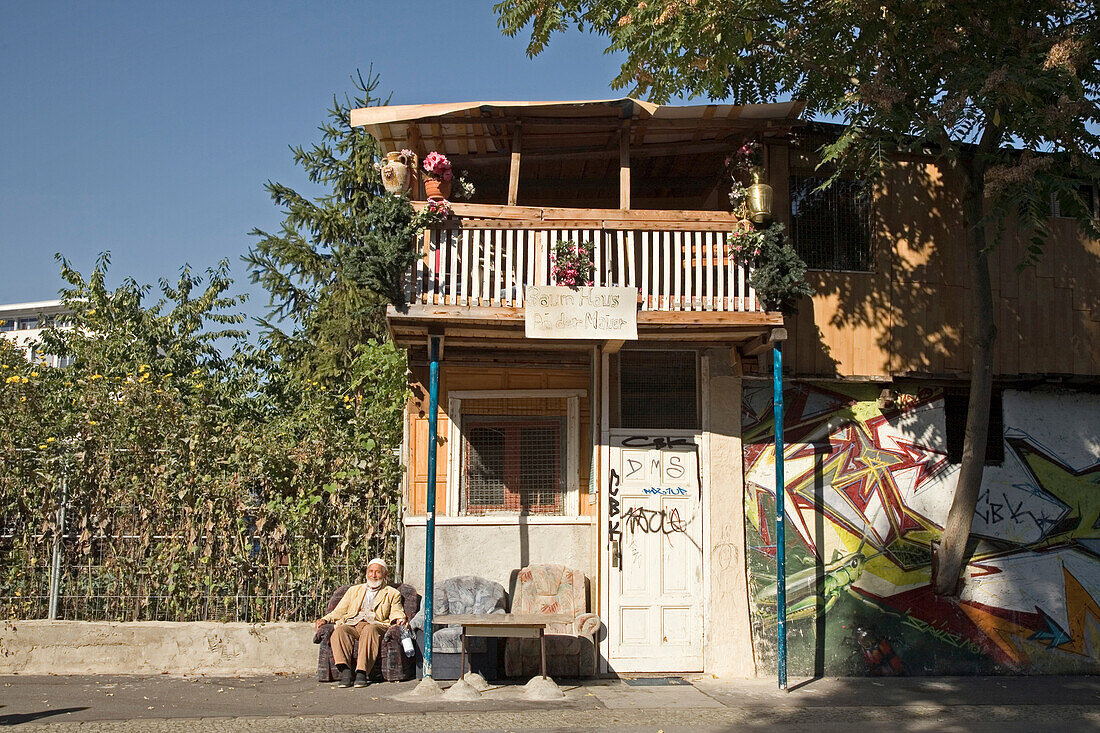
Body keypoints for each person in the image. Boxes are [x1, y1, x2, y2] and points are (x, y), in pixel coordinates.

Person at [314, 558, 407, 688]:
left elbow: (397, 610)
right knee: (340, 630)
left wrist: (399, 618)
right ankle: (345, 671)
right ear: (366, 573)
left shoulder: (392, 593)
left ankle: (361, 672)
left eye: (377, 572)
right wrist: (325, 619)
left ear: (385, 575)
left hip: (376, 624)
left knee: (370, 629)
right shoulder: (353, 590)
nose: (373, 575)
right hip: (353, 623)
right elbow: (339, 611)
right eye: (370, 571)